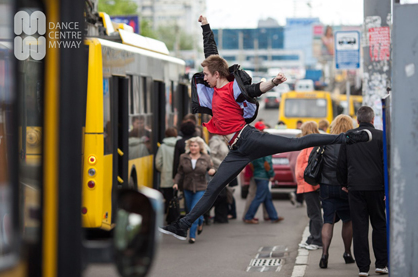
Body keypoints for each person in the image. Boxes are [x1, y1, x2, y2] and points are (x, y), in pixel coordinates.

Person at [159, 15, 372, 241]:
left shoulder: (232, 88)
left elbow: (254, 90)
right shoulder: (213, 87)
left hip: (249, 138)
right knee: (213, 189)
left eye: (207, 75)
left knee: (296, 143)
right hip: (237, 150)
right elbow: (211, 54)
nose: (204, 78)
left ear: (218, 75)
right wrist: (205, 26)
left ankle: (347, 138)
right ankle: (183, 226)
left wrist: (274, 82)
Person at [337, 106, 388, 277]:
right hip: (377, 188)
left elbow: (341, 163)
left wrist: (344, 183)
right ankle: (381, 264)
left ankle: (363, 268)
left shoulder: (349, 137)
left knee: (359, 227)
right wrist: (387, 188)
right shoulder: (382, 137)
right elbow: (386, 163)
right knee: (379, 225)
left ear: (357, 120)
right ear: (373, 120)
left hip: (355, 188)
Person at [318, 115, 355, 269]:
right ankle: (347, 253)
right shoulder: (351, 143)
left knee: (328, 220)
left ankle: (324, 254)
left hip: (326, 185)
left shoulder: (326, 142)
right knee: (348, 221)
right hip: (345, 186)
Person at [173, 137, 215, 244]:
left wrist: (212, 171)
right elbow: (180, 172)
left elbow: (211, 169)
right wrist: (176, 183)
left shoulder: (205, 157)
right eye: (191, 145)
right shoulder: (183, 157)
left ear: (200, 147)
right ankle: (200, 222)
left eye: (195, 146)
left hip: (201, 187)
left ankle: (192, 236)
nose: (193, 147)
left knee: (193, 211)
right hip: (187, 188)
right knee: (191, 211)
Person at [243, 124, 284, 224]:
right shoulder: (266, 149)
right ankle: (249, 216)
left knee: (266, 197)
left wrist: (256, 171)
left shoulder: (256, 148)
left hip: (257, 174)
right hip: (263, 176)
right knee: (260, 197)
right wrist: (271, 175)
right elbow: (267, 164)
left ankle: (274, 216)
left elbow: (252, 163)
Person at [295, 122, 323, 251]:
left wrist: (300, 173)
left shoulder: (310, 145)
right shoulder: (313, 144)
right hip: (308, 184)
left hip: (309, 184)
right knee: (312, 212)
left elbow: (310, 165)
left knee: (314, 213)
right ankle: (312, 238)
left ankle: (316, 239)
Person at [155, 127, 178, 214]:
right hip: (177, 176)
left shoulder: (162, 147)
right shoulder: (179, 144)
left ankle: (169, 215)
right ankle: (175, 214)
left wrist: (163, 170)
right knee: (176, 197)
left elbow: (158, 163)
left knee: (168, 198)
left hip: (166, 176)